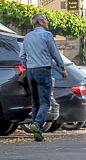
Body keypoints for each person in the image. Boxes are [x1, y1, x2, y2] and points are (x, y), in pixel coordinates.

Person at [19, 13, 67, 141]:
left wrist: (27, 65)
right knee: (45, 102)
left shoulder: (27, 37)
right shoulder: (47, 35)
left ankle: (37, 132)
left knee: (35, 102)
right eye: (45, 20)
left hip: (31, 71)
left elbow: (22, 56)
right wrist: (62, 68)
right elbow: (54, 53)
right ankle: (37, 123)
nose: (47, 22)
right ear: (40, 22)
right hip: (43, 71)